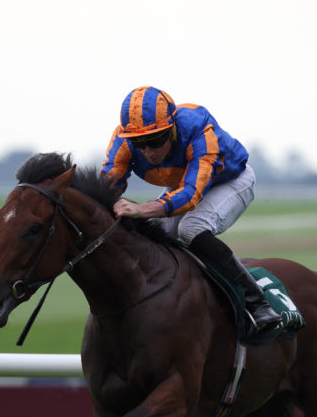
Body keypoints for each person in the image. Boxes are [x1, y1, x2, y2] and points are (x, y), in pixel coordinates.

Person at [101, 86, 281, 334]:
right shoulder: (122, 140)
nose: (148, 152)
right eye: (138, 143)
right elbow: (107, 186)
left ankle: (257, 302)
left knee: (191, 228)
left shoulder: (199, 130)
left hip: (230, 181)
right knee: (148, 235)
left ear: (172, 128)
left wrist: (142, 209)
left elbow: (191, 195)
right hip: (182, 184)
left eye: (154, 140)